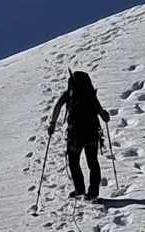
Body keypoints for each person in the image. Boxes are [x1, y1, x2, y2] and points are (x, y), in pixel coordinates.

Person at [45, 68, 113, 199]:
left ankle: (79, 188)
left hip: (76, 133)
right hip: (92, 131)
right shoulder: (90, 95)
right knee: (92, 162)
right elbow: (103, 115)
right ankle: (93, 192)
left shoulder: (70, 93)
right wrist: (105, 116)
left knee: (73, 160)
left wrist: (53, 124)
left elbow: (58, 106)